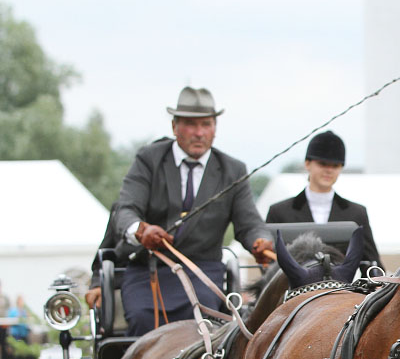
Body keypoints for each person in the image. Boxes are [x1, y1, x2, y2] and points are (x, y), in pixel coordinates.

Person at [113, 87, 274, 336]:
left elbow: (250, 224)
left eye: (206, 124)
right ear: (175, 126)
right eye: (190, 125)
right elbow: (125, 210)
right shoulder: (149, 159)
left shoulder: (233, 169)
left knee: (202, 320)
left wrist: (261, 242)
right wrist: (141, 230)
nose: (199, 133)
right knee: (142, 318)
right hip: (149, 269)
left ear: (215, 128)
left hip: (202, 271)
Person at [266, 131, 381, 273]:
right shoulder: (279, 212)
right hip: (294, 291)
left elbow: (372, 263)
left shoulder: (356, 213)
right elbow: (269, 267)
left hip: (341, 290)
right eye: (322, 164)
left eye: (335, 166)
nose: (329, 170)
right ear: (307, 164)